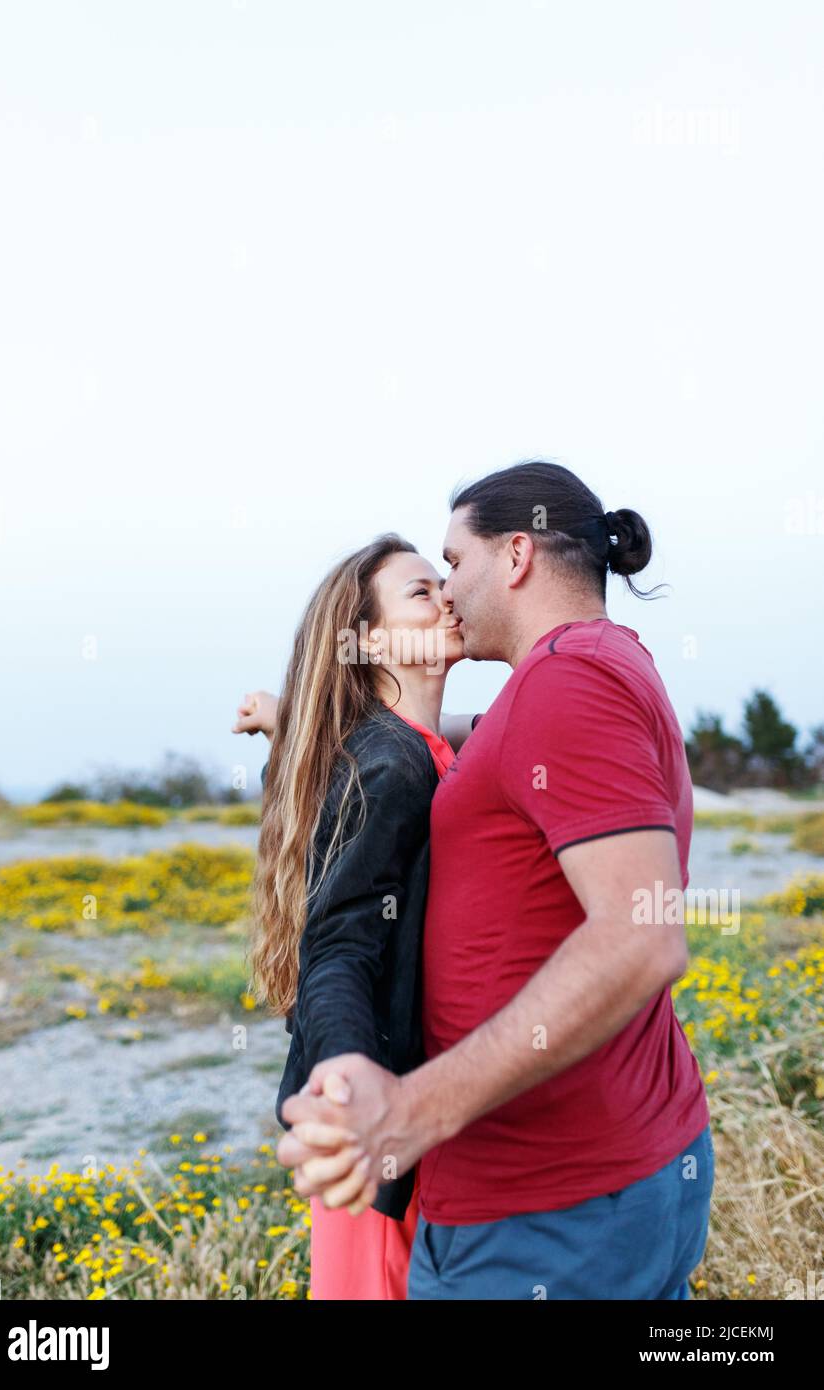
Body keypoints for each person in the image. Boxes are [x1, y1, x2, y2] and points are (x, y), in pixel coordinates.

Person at [278, 460, 714, 1301]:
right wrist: (302, 712)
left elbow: (640, 935)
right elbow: (430, 738)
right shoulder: (587, 670)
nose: (447, 586)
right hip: (613, 1176)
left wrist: (415, 1111)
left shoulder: (566, 681)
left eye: (453, 559)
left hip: (545, 1212)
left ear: (514, 556)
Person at [234, 533, 468, 1299]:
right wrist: (349, 1077)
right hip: (372, 1119)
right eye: (420, 592)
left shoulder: (424, 750)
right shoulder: (391, 763)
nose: (447, 597)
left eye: (444, 582)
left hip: (401, 1116)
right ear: (368, 640)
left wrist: (282, 720)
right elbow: (337, 942)